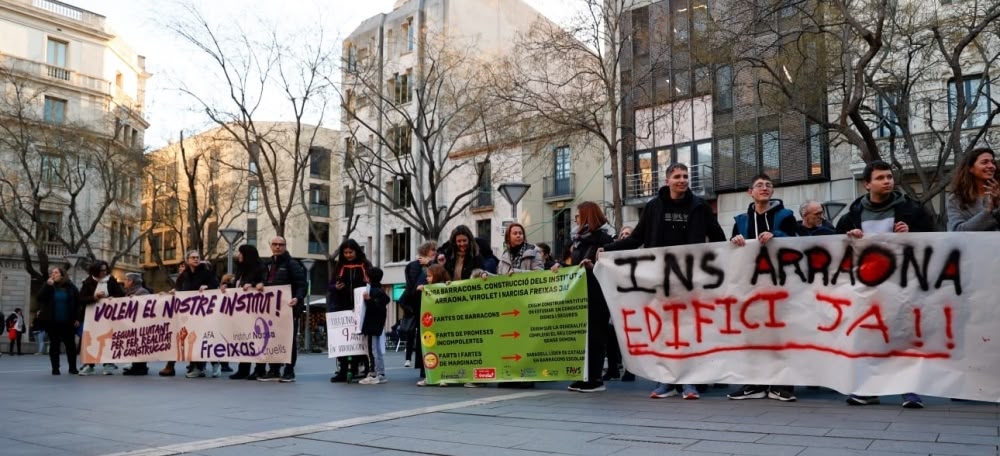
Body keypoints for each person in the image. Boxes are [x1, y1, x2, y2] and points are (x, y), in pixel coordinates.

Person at [604, 163, 726, 399]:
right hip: (660, 280)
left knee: (689, 330)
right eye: (677, 176)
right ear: (667, 180)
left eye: (685, 176)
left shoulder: (700, 207)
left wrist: (735, 245)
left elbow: (718, 238)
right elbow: (636, 238)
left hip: (691, 279)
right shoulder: (654, 207)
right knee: (664, 331)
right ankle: (666, 380)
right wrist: (608, 248)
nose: (682, 180)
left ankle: (690, 381)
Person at [836, 160, 933, 408]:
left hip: (903, 283)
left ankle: (910, 390)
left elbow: (933, 239)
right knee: (870, 336)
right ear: (867, 184)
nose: (887, 181)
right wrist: (849, 238)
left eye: (889, 177)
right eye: (880, 178)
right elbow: (836, 245)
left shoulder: (912, 211)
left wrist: (912, 232)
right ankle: (869, 390)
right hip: (868, 288)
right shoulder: (852, 217)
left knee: (903, 334)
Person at [727, 173, 800, 402]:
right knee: (753, 335)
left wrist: (777, 235)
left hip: (780, 284)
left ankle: (781, 385)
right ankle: (755, 383)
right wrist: (735, 241)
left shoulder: (786, 215)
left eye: (769, 185)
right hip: (752, 287)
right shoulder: (740, 220)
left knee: (780, 334)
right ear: (750, 192)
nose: (765, 188)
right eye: (759, 185)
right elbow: (731, 251)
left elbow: (796, 240)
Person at [555, 201, 616, 393]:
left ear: (588, 217)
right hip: (580, 295)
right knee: (583, 337)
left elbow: (611, 265)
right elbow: (574, 266)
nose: (576, 219)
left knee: (596, 336)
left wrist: (594, 266)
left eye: (578, 216)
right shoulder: (578, 240)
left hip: (597, 295)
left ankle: (595, 379)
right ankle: (583, 377)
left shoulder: (605, 239)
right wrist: (561, 267)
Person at [161, 251, 219, 378]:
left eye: (198, 257)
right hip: (188, 314)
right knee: (191, 338)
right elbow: (179, 288)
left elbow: (215, 285)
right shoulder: (184, 275)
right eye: (193, 257)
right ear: (187, 260)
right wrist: (174, 291)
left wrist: (207, 287)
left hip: (203, 312)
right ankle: (196, 367)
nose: (196, 259)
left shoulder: (206, 272)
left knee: (202, 338)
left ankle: (211, 365)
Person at [260, 236, 307, 383]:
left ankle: (288, 370)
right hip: (269, 310)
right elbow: (261, 280)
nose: (278, 247)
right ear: (270, 246)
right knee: (272, 338)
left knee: (288, 340)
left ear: (285, 246)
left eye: (281, 245)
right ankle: (273, 369)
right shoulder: (266, 264)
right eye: (275, 244)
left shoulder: (292, 264)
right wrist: (258, 284)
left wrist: (298, 298)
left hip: (288, 309)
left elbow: (301, 284)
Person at [328, 239, 373, 383]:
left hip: (361, 307)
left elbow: (372, 282)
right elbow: (330, 285)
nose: (348, 255)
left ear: (356, 251)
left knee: (361, 339)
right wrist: (336, 287)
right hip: (342, 307)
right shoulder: (339, 266)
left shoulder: (365, 265)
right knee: (344, 340)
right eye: (345, 252)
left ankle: (364, 367)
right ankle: (343, 369)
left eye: (350, 252)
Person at [78, 260, 125, 376]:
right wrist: (94, 297)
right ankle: (89, 365)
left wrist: (112, 298)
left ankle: (108, 364)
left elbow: (121, 295)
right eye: (101, 270)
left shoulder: (111, 280)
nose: (104, 272)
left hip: (108, 317)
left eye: (105, 270)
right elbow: (81, 299)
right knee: (91, 340)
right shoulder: (88, 282)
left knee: (107, 339)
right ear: (95, 271)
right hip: (92, 317)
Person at [228, 244, 268, 380]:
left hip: (255, 311)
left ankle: (259, 369)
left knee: (257, 341)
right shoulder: (241, 269)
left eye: (241, 253)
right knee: (243, 340)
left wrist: (252, 285)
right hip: (241, 312)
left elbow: (266, 283)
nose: (239, 256)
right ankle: (243, 369)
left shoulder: (260, 267)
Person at [36, 267, 79, 375]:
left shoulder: (71, 287)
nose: (53, 274)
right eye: (52, 273)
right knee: (54, 345)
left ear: (62, 275)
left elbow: (78, 304)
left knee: (70, 346)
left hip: (68, 321)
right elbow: (39, 297)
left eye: (56, 272)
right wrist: (47, 285)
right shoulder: (50, 286)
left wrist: (78, 318)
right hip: (52, 321)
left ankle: (72, 367)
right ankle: (55, 368)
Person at [401, 242, 436, 370]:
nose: (435, 252)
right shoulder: (414, 266)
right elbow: (413, 287)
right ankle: (423, 365)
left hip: (428, 305)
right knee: (423, 335)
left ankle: (424, 365)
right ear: (426, 251)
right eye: (433, 250)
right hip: (420, 306)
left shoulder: (432, 263)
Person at [947, 147, 999, 232]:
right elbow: (957, 231)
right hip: (971, 245)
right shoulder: (956, 199)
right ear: (971, 168)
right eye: (985, 162)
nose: (991, 166)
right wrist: (989, 210)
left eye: (993, 162)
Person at [416, 265, 451, 387]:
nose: (427, 278)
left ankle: (444, 376)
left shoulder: (446, 287)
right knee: (431, 352)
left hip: (442, 326)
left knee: (442, 352)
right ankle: (430, 376)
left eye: (430, 276)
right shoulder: (428, 289)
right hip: (431, 326)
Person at [359, 267, 390, 385]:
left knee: (372, 350)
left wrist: (368, 300)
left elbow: (374, 307)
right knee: (376, 349)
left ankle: (375, 373)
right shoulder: (380, 290)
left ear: (368, 278)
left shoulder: (372, 291)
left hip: (371, 324)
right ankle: (379, 373)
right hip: (377, 324)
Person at [122, 273, 152, 376]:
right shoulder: (130, 292)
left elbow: (148, 306)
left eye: (126, 280)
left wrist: (136, 300)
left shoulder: (142, 292)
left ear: (131, 282)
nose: (124, 282)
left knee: (140, 345)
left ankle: (141, 368)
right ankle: (136, 366)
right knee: (134, 345)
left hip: (141, 324)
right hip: (133, 324)